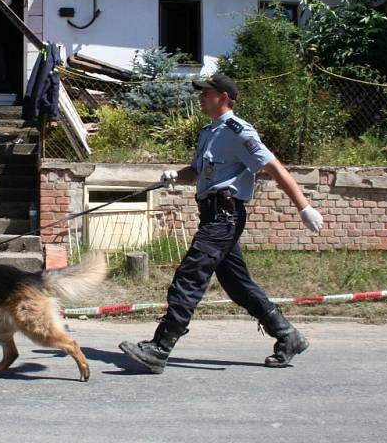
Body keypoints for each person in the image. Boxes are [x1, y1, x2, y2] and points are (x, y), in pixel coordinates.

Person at [119, 73, 323, 374]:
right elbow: (200, 172)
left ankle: (160, 348)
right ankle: (288, 336)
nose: (201, 97)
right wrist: (177, 175)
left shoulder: (239, 132)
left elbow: (275, 167)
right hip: (214, 215)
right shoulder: (208, 132)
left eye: (206, 93)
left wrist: (303, 207)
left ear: (223, 97)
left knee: (189, 276)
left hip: (224, 217)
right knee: (239, 286)